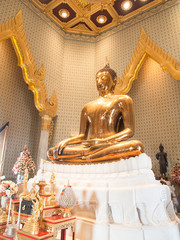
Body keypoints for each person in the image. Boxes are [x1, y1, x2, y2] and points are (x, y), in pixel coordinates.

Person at [48, 62, 144, 163]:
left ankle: (86, 158)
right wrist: (66, 141)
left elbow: (129, 130)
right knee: (54, 151)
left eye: (103, 78)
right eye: (97, 79)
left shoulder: (123, 100)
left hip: (110, 145)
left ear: (114, 81)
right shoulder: (87, 107)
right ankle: (90, 156)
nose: (99, 81)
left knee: (136, 146)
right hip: (89, 146)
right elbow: (82, 136)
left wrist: (104, 141)